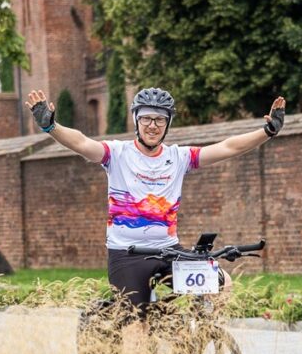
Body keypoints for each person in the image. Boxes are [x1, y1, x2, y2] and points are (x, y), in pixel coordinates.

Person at [25, 87, 286, 315]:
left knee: (221, 284)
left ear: (167, 123)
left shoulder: (179, 157)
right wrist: (51, 127)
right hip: (127, 254)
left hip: (168, 250)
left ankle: (196, 338)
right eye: (146, 118)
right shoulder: (116, 154)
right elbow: (82, 143)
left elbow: (228, 147)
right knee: (136, 326)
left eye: (160, 119)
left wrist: (268, 131)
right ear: (136, 121)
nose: (153, 125)